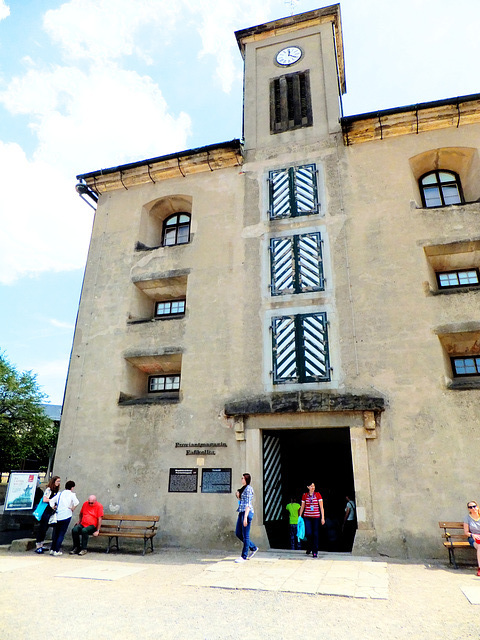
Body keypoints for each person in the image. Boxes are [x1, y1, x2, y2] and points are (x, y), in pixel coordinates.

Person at [49, 480, 79, 556]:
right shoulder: (72, 495)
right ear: (72, 488)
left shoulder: (60, 494)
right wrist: (72, 508)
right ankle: (57, 550)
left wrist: (53, 507)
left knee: (56, 533)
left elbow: (51, 501)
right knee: (61, 534)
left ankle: (52, 549)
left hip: (58, 515)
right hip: (66, 515)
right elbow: (76, 502)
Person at [234, 472, 258, 563]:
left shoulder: (248, 489)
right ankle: (253, 547)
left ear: (246, 479)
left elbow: (248, 503)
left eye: (243, 478)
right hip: (241, 511)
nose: (241, 479)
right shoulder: (243, 488)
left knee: (245, 535)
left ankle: (244, 556)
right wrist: (238, 496)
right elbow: (242, 501)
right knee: (238, 533)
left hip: (246, 512)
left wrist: (245, 517)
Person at [35, 475, 61, 554]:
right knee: (42, 528)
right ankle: (38, 546)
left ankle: (41, 545)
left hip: (51, 511)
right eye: (57, 481)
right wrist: (52, 500)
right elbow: (45, 499)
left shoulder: (56, 490)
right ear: (54, 482)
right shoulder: (49, 489)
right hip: (45, 511)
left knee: (45, 528)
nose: (59, 483)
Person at [298, 482, 325, 558]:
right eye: (311, 486)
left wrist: (323, 518)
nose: (313, 487)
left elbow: (321, 507)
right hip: (307, 517)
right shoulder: (305, 495)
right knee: (308, 533)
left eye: (314, 486)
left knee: (315, 534)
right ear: (308, 487)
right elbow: (302, 506)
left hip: (316, 517)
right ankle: (309, 546)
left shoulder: (318, 495)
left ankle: (315, 551)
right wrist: (300, 516)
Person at [463, 501, 480, 576]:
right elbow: (466, 532)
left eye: (474, 506)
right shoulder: (467, 518)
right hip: (473, 538)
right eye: (470, 507)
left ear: (477, 506)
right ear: (468, 509)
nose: (473, 508)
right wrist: (472, 535)